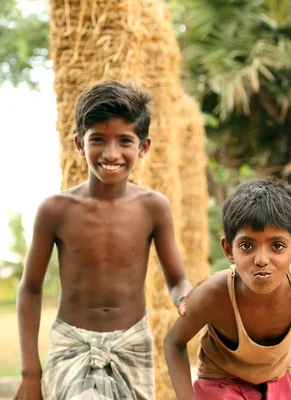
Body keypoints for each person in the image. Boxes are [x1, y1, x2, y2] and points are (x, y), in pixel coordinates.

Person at [16, 81, 192, 400]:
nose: (111, 154)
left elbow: (177, 279)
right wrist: (31, 372)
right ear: (79, 144)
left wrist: (187, 300)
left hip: (133, 345)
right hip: (72, 345)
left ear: (143, 147)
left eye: (124, 141)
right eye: (98, 139)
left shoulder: (153, 207)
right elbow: (30, 288)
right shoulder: (55, 210)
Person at [164, 179, 291, 400]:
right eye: (247, 246)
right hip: (220, 387)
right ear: (228, 249)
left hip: (278, 384)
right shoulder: (215, 294)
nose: (261, 259)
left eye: (277, 245)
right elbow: (174, 342)